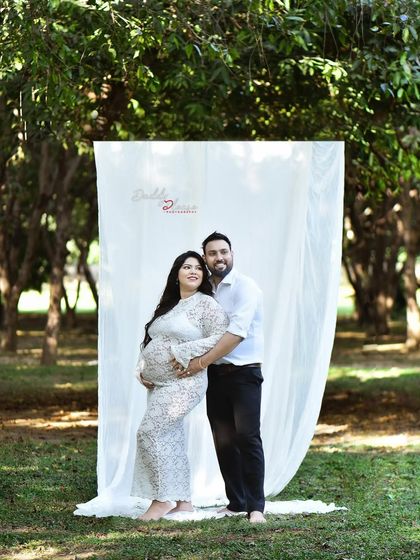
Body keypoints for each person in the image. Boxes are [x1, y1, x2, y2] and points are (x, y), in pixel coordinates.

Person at [175, 232, 266, 523]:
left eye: (223, 251)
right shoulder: (205, 292)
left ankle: (255, 508)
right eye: (212, 254)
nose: (219, 258)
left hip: (244, 372)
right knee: (223, 439)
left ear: (232, 253)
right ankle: (236, 502)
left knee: (248, 438)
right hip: (214, 375)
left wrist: (200, 362)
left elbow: (236, 334)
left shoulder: (245, 288)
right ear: (205, 258)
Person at [132, 250, 228, 521]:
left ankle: (162, 499)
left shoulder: (206, 305)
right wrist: (142, 368)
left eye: (198, 267)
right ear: (177, 274)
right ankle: (183, 500)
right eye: (187, 267)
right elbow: (150, 341)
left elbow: (222, 337)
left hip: (185, 382)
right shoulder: (168, 306)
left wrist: (182, 352)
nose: (193, 271)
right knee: (169, 437)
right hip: (159, 384)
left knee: (149, 432)